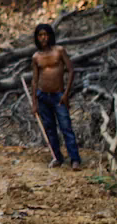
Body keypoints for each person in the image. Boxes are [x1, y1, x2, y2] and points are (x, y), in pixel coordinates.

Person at [31, 23, 80, 170]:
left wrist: (66, 94)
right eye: (40, 35)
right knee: (50, 128)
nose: (43, 38)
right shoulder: (36, 57)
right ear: (37, 38)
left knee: (66, 127)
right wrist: (34, 102)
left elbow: (71, 71)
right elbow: (34, 80)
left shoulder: (59, 51)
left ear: (50, 35)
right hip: (42, 96)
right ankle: (57, 157)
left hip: (58, 96)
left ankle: (75, 159)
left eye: (45, 34)